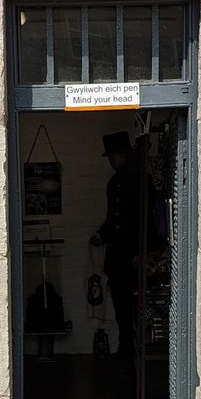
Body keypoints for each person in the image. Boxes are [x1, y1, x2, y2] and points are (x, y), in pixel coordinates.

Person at [90, 131, 139, 359]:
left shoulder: (137, 180)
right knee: (121, 306)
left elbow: (139, 218)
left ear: (122, 155)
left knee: (132, 306)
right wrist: (102, 235)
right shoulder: (114, 183)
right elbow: (114, 219)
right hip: (119, 255)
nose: (111, 161)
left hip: (132, 255)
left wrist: (141, 251)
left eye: (112, 156)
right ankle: (126, 347)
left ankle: (132, 348)